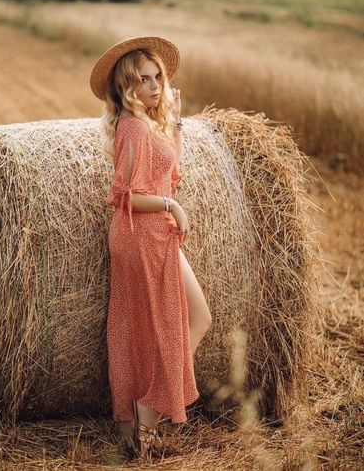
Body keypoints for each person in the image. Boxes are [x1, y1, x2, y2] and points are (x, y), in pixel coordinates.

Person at [90, 36, 212, 460]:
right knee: (189, 321)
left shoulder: (147, 125)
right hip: (141, 234)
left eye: (158, 76)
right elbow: (124, 194)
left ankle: (143, 415)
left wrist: (175, 121)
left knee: (162, 326)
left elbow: (168, 170)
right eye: (144, 79)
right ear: (127, 86)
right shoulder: (132, 127)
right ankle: (148, 409)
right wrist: (169, 204)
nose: (155, 85)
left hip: (154, 232)